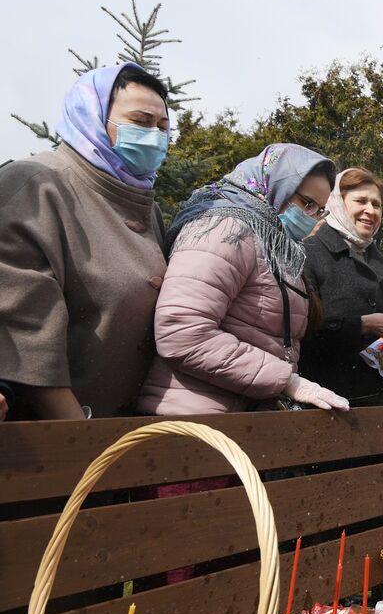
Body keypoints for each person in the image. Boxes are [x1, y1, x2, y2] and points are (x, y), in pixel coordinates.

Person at [0, 64, 169, 419]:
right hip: (50, 444)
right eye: (140, 121)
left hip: (127, 436)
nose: (155, 136)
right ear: (90, 115)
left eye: (163, 127)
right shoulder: (36, 186)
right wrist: (83, 440)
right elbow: (27, 337)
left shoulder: (145, 205)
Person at [138, 143, 348, 414]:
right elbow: (183, 332)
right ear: (274, 185)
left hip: (240, 418)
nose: (310, 217)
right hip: (195, 417)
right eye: (306, 203)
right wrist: (287, 381)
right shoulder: (224, 228)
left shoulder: (275, 244)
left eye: (319, 210)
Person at [300, 168, 383, 407]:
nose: (370, 210)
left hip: (373, 401)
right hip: (321, 400)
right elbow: (301, 331)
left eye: (376, 204)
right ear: (337, 203)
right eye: (361, 201)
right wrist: (364, 324)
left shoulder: (380, 263)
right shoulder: (309, 252)